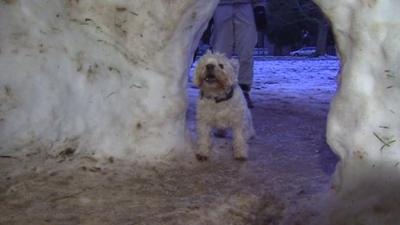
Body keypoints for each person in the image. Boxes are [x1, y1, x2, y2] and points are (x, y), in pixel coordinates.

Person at [210, 0, 264, 108]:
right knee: (220, 53)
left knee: (246, 51)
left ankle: (244, 89)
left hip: (245, 6)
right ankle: (219, 89)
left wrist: (260, 6)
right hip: (220, 6)